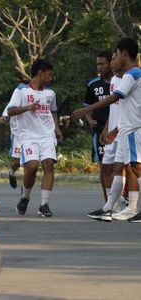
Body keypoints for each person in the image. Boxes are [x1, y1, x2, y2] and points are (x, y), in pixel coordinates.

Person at [73, 38, 140, 222]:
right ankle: (109, 207)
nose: (114, 60)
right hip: (126, 129)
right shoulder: (129, 75)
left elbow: (115, 98)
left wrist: (88, 109)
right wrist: (111, 127)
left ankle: (133, 208)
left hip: (133, 129)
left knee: (133, 168)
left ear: (125, 54)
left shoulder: (132, 74)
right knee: (121, 167)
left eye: (116, 55)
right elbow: (119, 104)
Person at [7, 59, 63, 218]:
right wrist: (28, 108)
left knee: (48, 165)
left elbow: (53, 111)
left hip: (47, 135)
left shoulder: (50, 93)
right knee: (31, 167)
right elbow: (11, 111)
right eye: (49, 74)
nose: (50, 78)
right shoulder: (21, 91)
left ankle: (44, 205)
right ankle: (25, 197)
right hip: (28, 137)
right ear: (40, 72)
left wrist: (57, 128)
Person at [83, 51, 113, 201]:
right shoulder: (93, 84)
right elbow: (87, 107)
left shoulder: (119, 82)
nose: (99, 67)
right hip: (100, 132)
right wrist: (90, 120)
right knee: (105, 166)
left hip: (119, 130)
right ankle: (108, 200)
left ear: (111, 63)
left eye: (102, 63)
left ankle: (124, 200)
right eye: (97, 64)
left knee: (121, 167)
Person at [0, 103, 20, 189]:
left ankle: (25, 188)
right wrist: (4, 119)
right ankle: (11, 173)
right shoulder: (13, 102)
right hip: (17, 134)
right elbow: (6, 116)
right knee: (17, 162)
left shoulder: (34, 100)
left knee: (29, 163)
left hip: (31, 135)